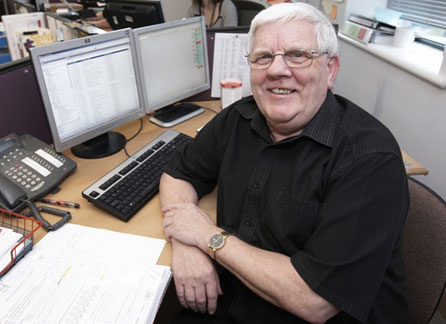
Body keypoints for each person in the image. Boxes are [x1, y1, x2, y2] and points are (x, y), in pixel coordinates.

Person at [160, 3, 410, 324]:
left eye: (298, 55)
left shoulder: (370, 159)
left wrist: (209, 238)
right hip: (236, 299)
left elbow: (315, 300)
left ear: (330, 70)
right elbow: (179, 174)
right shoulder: (239, 118)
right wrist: (186, 244)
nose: (277, 70)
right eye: (263, 57)